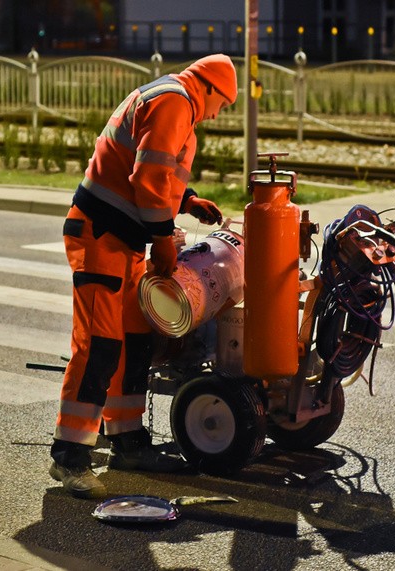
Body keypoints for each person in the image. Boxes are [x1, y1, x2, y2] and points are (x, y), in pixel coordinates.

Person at [49, 54, 238, 498]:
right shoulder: (175, 102)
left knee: (135, 339)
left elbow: (152, 165)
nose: (218, 113)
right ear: (210, 87)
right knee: (100, 343)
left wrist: (187, 200)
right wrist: (164, 238)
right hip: (101, 236)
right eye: (223, 104)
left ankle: (128, 440)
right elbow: (147, 175)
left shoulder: (175, 99)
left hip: (121, 239)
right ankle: (69, 456)